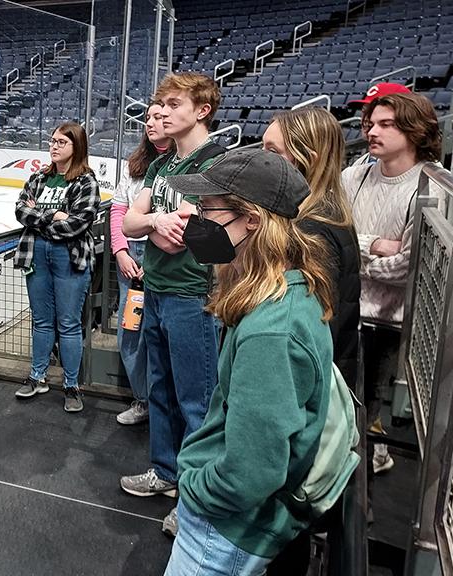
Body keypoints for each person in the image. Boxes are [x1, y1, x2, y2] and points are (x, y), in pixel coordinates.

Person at [162, 149, 335, 575]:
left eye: (207, 208)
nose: (193, 218)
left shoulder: (271, 330)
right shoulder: (287, 290)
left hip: (226, 531)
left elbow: (251, 472)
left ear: (252, 220)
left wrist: (196, 489)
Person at [120, 72, 225, 535]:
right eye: (158, 102)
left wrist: (160, 226)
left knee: (196, 401)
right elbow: (130, 222)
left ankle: (195, 497)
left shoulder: (216, 164)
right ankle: (164, 472)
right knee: (160, 390)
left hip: (193, 296)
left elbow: (193, 238)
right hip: (158, 293)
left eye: (173, 103)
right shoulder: (164, 164)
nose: (160, 110)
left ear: (202, 110)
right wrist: (158, 220)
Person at [261, 106, 361, 575]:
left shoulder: (311, 231)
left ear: (305, 157)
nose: (263, 158)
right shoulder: (324, 216)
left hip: (297, 411)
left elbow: (300, 337)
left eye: (271, 151)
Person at [344, 92, 443, 476]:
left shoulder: (428, 186)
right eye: (371, 123)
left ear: (415, 130)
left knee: (366, 414)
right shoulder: (356, 173)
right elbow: (334, 235)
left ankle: (358, 508)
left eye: (387, 124)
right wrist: (374, 246)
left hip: (387, 323)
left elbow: (406, 266)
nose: (372, 130)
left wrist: (355, 250)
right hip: (346, 307)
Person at [13, 121, 101, 413]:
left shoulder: (86, 181)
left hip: (69, 256)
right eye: (52, 141)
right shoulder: (39, 177)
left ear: (77, 147)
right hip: (36, 254)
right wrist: (54, 216)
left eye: (62, 142)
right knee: (41, 320)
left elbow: (79, 222)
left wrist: (41, 218)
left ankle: (71, 385)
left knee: (69, 323)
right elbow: (20, 209)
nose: (54, 146)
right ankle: (37, 376)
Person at [109, 102, 171, 426]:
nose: (151, 123)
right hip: (131, 257)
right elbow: (119, 210)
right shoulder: (134, 165)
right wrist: (120, 251)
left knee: (159, 335)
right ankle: (144, 400)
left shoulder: (181, 164)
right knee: (130, 334)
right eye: (148, 117)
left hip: (164, 257)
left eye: (159, 117)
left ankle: (165, 408)